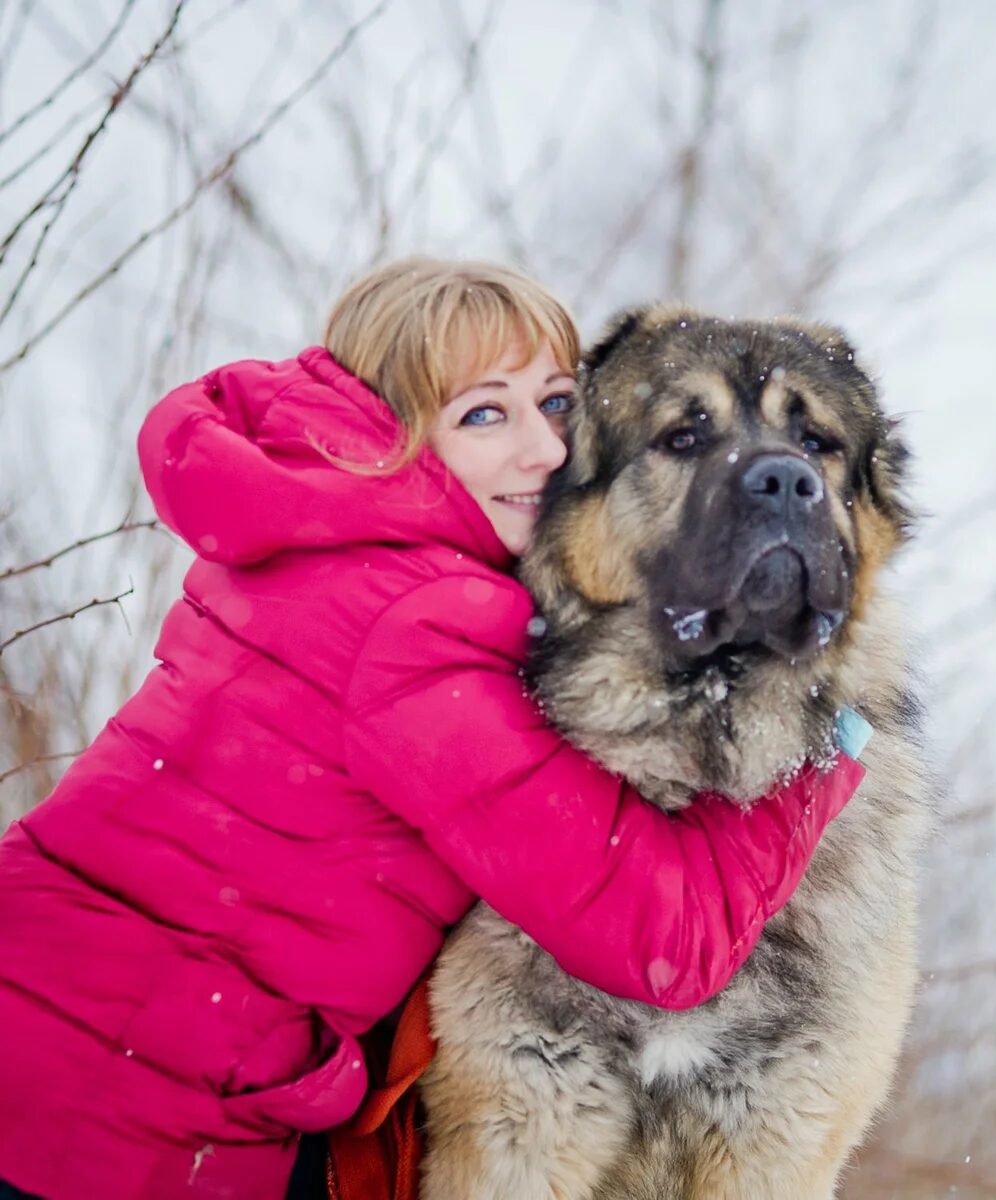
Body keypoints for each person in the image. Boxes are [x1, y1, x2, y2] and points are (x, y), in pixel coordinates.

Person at [0, 258, 865, 1200]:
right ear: (393, 435)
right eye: (483, 415)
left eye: (560, 405)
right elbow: (664, 939)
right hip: (105, 1102)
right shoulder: (410, 625)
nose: (545, 451)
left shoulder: (326, 544)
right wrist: (824, 762)